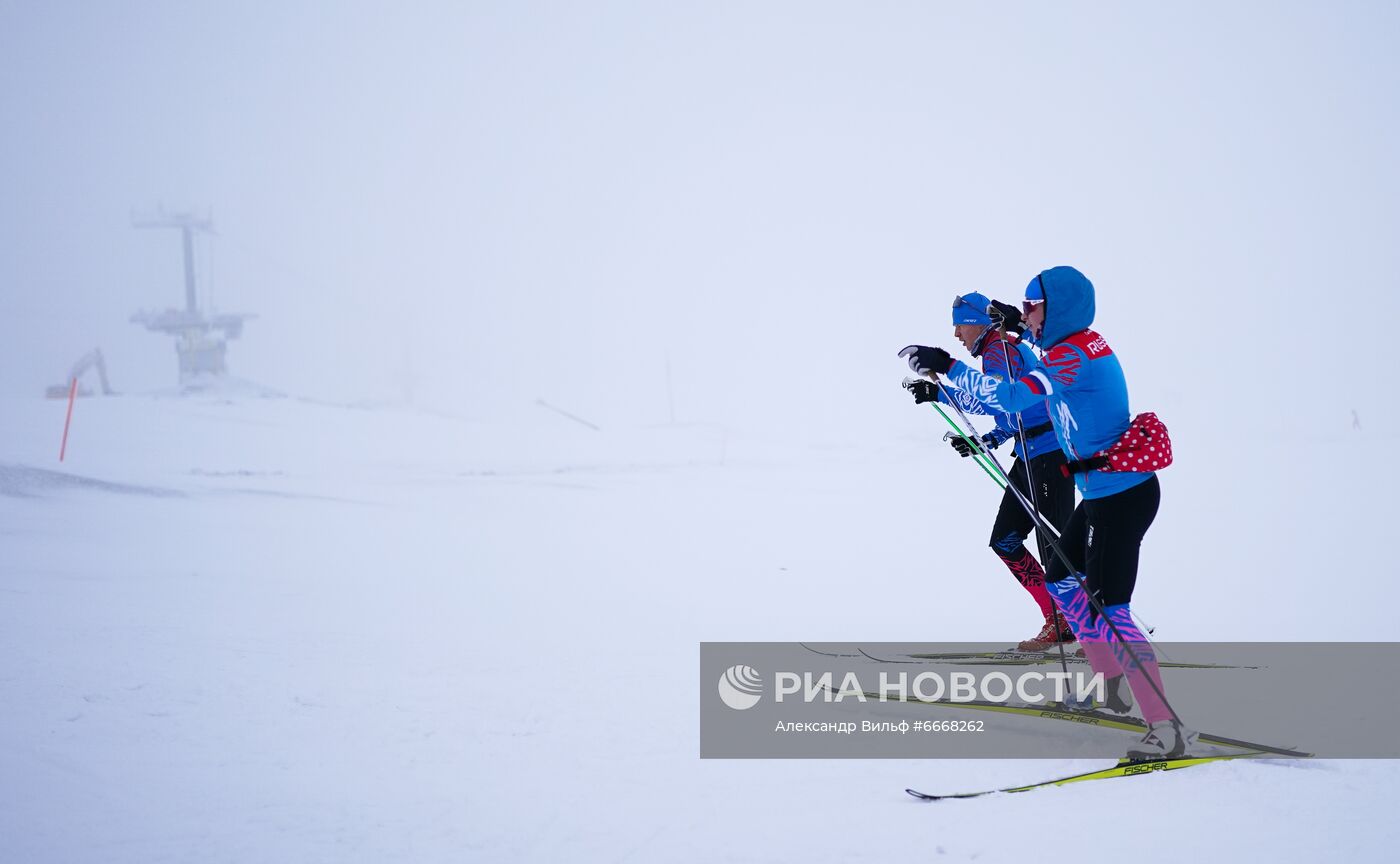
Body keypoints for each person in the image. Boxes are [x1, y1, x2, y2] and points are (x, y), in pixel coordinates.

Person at [899, 266, 1193, 759]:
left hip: (1122, 497)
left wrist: (948, 366)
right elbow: (1041, 373)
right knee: (1060, 577)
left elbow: (1012, 396)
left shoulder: (1072, 355)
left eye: (1031, 305)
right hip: (1103, 492)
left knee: (1110, 607)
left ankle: (1166, 728)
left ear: (1057, 309)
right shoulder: (1077, 345)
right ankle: (1109, 687)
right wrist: (1018, 328)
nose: (1025, 312)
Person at [903, 292, 1076, 652]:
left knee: (1055, 546)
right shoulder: (1001, 353)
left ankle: (1085, 627)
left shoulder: (1000, 350)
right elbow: (1017, 413)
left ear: (978, 323)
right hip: (1031, 456)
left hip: (1049, 457)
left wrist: (940, 391)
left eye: (959, 324)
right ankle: (1058, 619)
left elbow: (994, 399)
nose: (956, 335)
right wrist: (987, 441)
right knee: (1007, 540)